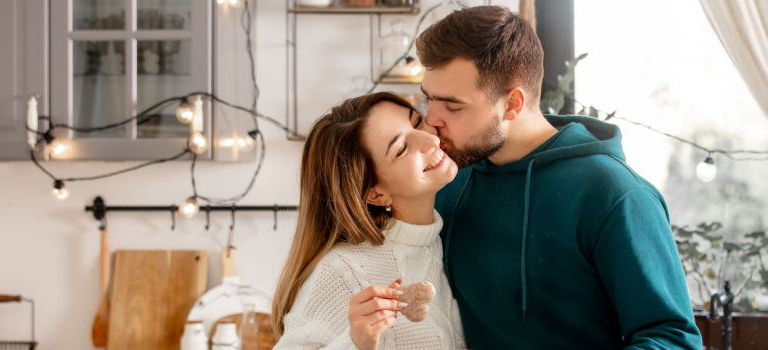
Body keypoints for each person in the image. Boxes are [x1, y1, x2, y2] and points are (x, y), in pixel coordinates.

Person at [415, 5, 702, 349]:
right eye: (429, 99)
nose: (431, 119)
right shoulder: (450, 181)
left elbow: (672, 338)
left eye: (452, 105)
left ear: (513, 104)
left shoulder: (615, 195)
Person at [272, 92, 466, 349]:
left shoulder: (448, 235)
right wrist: (356, 343)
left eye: (417, 122)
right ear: (375, 194)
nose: (430, 139)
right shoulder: (342, 270)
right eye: (402, 148)